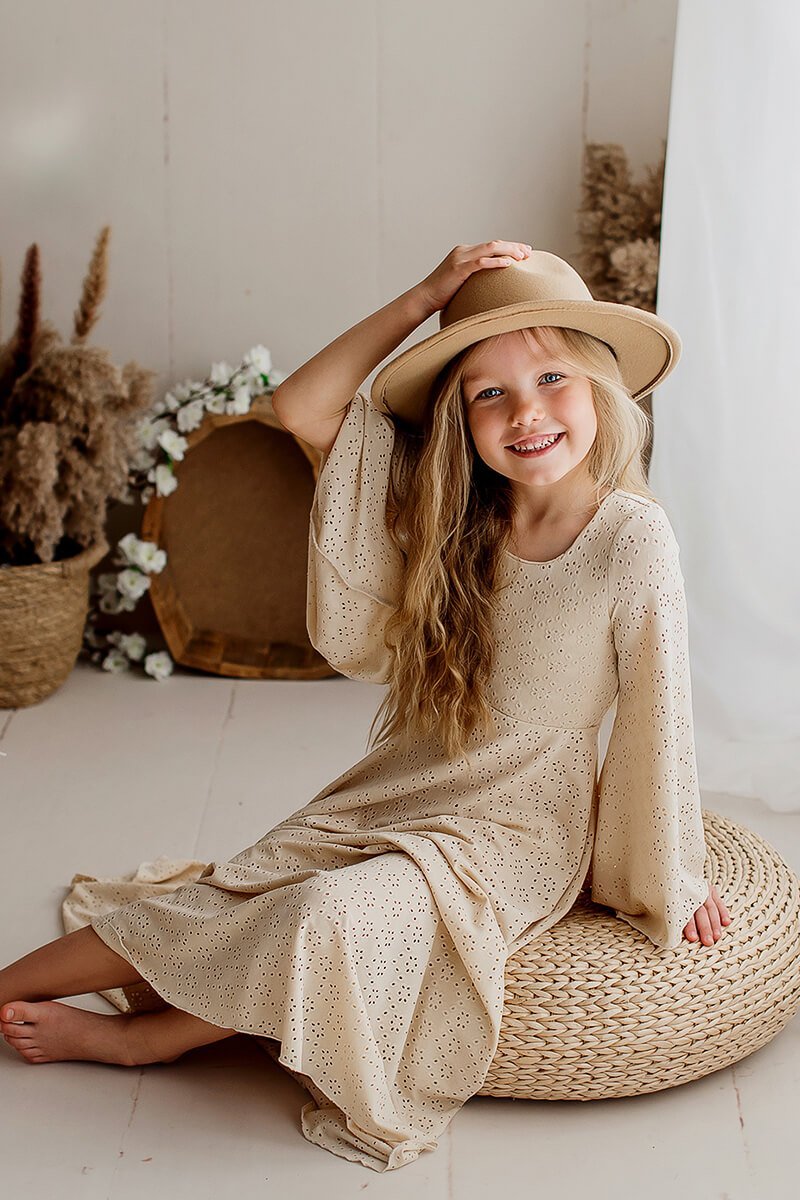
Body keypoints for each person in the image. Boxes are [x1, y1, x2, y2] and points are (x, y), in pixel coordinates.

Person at [0, 241, 731, 1172]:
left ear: (599, 387)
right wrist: (428, 295)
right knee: (230, 892)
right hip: (412, 780)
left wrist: (674, 876)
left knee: (325, 912)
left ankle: (146, 1041)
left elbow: (658, 715)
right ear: (461, 420)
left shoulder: (632, 537)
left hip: (514, 828)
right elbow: (300, 407)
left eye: (551, 377)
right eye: (488, 394)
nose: (528, 413)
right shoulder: (456, 512)